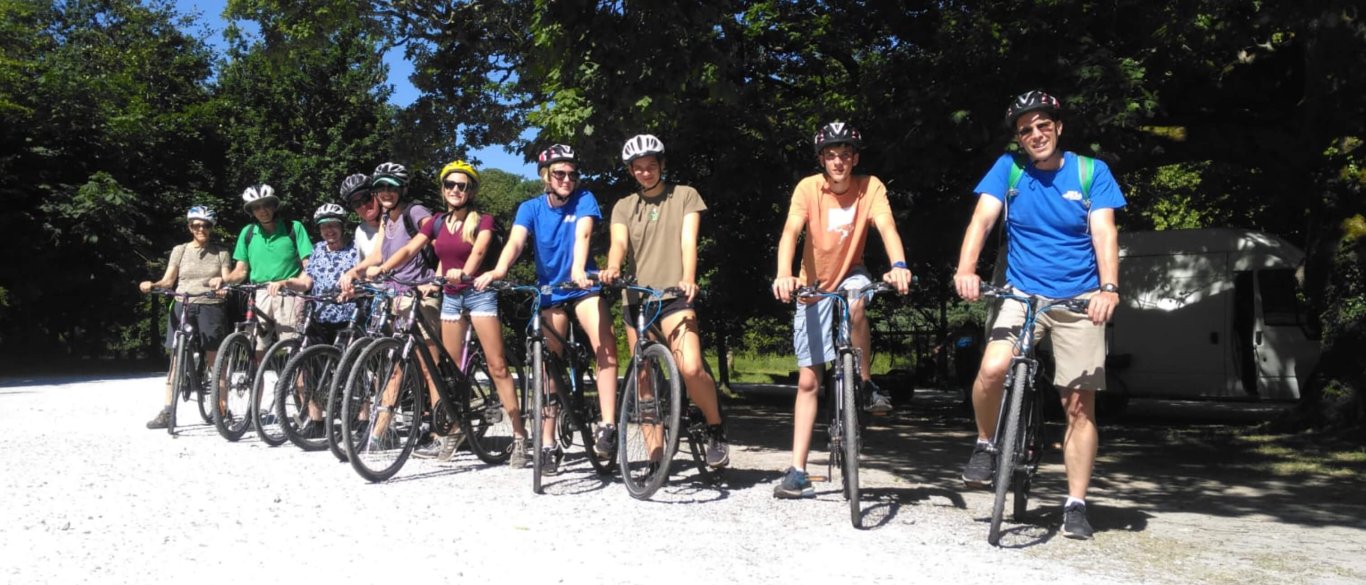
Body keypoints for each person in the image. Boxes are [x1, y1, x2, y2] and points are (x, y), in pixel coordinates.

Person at [952, 90, 1125, 540]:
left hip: (1078, 298)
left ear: (1058, 127)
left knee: (1078, 405)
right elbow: (982, 220)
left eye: (1043, 125)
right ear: (1018, 138)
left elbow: (1104, 230)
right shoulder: (1008, 170)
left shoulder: (1092, 172)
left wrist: (1108, 287)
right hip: (1022, 292)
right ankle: (986, 445)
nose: (1036, 134)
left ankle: (1075, 503)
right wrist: (966, 269)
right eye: (1026, 129)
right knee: (992, 368)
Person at [770, 122, 913, 499]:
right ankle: (798, 469)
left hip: (852, 273)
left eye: (845, 154)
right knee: (808, 381)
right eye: (831, 155)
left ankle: (864, 384)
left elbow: (886, 226)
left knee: (857, 303)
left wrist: (899, 265)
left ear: (855, 158)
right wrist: (784, 274)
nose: (838, 161)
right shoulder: (807, 189)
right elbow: (790, 232)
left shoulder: (871, 187)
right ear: (821, 160)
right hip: (812, 285)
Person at [474, 144, 620, 477]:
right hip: (550, 291)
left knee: (604, 339)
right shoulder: (530, 207)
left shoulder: (584, 199)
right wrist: (498, 270)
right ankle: (548, 443)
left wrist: (580, 269)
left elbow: (584, 233)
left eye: (571, 173)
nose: (567, 179)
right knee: (547, 363)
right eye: (559, 174)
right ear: (545, 177)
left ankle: (608, 425)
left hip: (581, 285)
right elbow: (515, 242)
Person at [376, 160, 528, 465]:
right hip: (450, 298)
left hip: (479, 294)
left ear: (471, 190)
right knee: (451, 369)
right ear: (443, 189)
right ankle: (455, 429)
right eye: (450, 185)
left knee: (497, 366)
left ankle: (519, 435)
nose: (455, 190)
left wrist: (465, 273)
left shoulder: (483, 220)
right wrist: (383, 268)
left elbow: (479, 251)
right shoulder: (437, 221)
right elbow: (411, 249)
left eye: (462, 185)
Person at [598, 134, 729, 468]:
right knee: (644, 379)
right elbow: (619, 244)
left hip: (674, 295)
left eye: (651, 166)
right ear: (631, 171)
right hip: (637, 300)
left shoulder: (684, 196)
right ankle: (657, 459)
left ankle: (715, 428)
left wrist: (689, 277)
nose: (646, 173)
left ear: (662, 165)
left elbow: (689, 240)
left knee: (690, 366)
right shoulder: (624, 206)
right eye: (638, 168)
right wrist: (613, 266)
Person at [338, 162, 447, 454]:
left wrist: (436, 280)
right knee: (396, 364)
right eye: (381, 188)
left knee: (428, 367)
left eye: (391, 187)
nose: (385, 193)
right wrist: (355, 271)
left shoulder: (415, 212)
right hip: (398, 297)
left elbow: (441, 242)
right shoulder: (387, 217)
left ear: (402, 189)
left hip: (421, 295)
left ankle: (441, 431)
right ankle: (377, 434)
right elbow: (377, 253)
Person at [138, 206, 232, 429]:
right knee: (175, 359)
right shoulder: (179, 250)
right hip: (183, 304)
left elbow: (227, 278)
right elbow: (168, 280)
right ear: (189, 226)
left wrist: (223, 286)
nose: (201, 229)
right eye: (196, 225)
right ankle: (168, 410)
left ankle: (222, 409)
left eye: (206, 225)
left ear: (211, 228)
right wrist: (152, 284)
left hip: (210, 305)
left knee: (215, 360)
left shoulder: (221, 252)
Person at [274, 203, 362, 437]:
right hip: (320, 316)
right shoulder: (318, 250)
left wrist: (353, 289)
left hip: (348, 316)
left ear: (342, 226)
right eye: (324, 227)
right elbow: (306, 281)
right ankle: (316, 420)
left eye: (333, 225)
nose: (329, 230)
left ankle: (362, 419)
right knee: (311, 368)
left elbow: (364, 278)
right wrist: (285, 282)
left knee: (356, 368)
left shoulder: (356, 250)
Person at [224, 184, 313, 360]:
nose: (262, 210)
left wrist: (298, 285)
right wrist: (225, 280)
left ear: (274, 206)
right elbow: (241, 271)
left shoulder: (293, 228)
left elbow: (308, 265)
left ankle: (300, 388)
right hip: (260, 292)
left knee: (292, 348)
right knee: (256, 347)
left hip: (288, 291)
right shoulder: (248, 233)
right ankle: (256, 387)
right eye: (256, 207)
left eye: (266, 205)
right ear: (251, 211)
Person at [339, 173, 380, 261]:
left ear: (376, 195)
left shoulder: (397, 220)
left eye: (366, 198)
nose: (363, 206)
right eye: (356, 203)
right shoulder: (360, 231)